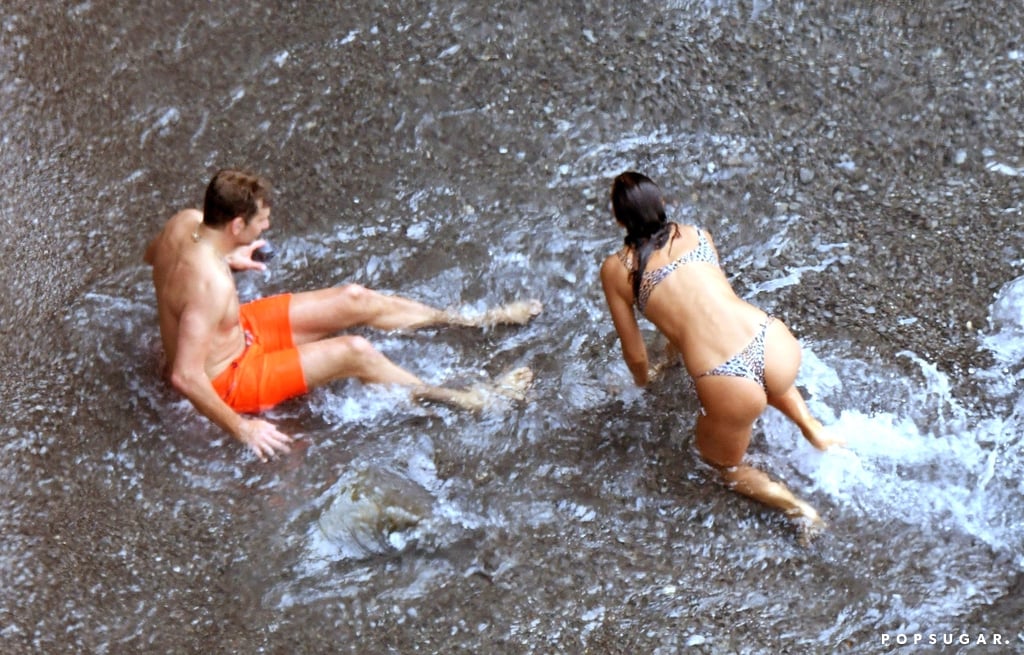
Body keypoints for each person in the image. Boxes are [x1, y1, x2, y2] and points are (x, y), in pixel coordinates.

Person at [145, 168, 540, 462]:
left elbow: (155, 257)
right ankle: (468, 400)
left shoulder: (185, 223)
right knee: (356, 351)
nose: (267, 224)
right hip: (228, 376)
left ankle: (470, 321)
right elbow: (185, 375)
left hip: (237, 329)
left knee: (354, 299)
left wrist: (225, 254)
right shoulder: (209, 286)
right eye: (261, 220)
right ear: (236, 224)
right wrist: (243, 428)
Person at [599, 171, 843, 541]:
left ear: (619, 219)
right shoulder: (697, 235)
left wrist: (645, 381)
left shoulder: (618, 269)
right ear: (661, 204)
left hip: (726, 378)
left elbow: (634, 353)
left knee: (721, 466)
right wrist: (672, 355)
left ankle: (799, 509)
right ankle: (813, 428)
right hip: (772, 341)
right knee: (760, 377)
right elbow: (703, 305)